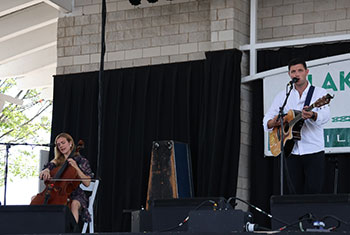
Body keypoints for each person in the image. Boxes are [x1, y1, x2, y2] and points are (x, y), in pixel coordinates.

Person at [263, 58, 330, 194]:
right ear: (289, 75)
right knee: (294, 193)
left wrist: (312, 115)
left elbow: (325, 116)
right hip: (290, 150)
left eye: (300, 70)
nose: (296, 74)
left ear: (307, 72)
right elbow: (267, 120)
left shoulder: (319, 93)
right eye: (293, 71)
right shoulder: (283, 96)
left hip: (313, 149)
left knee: (314, 192)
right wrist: (275, 122)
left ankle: (313, 216)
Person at [38, 133, 94, 223]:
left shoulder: (81, 161)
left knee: (74, 204)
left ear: (70, 143)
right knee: (35, 199)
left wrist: (76, 167)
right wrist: (46, 170)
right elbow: (43, 173)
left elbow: (87, 183)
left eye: (63, 143)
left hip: (75, 194)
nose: (61, 146)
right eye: (58, 144)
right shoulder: (56, 161)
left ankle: (71, 231)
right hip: (56, 193)